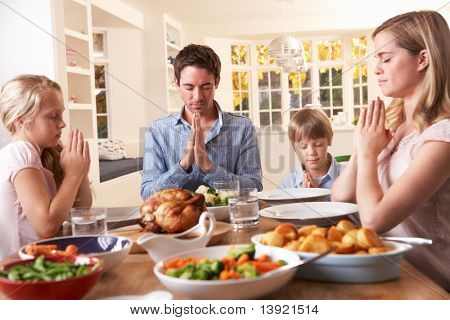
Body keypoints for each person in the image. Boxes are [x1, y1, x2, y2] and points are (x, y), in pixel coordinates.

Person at [331, 11, 449, 290]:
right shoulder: (394, 124)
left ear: (423, 59)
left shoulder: (442, 137)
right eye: (377, 59)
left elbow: (374, 220)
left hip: (432, 285)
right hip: (391, 272)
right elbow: (340, 197)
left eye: (386, 58)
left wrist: (370, 154)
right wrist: (362, 148)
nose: (376, 69)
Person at [141, 44, 263, 199]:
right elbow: (147, 193)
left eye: (205, 86)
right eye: (189, 87)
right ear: (177, 84)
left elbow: (254, 186)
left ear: (217, 81)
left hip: (228, 219)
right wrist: (183, 165)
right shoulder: (157, 130)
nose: (197, 96)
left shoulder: (242, 127)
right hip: (179, 221)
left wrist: (210, 168)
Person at [0, 75, 92, 259]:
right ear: (21, 121)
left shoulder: (43, 153)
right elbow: (47, 226)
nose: (63, 123)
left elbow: (80, 210)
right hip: (21, 267)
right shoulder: (20, 152)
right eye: (53, 116)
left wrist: (81, 172)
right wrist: (72, 177)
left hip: (43, 261)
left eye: (61, 114)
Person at [279, 108, 344, 190]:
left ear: (329, 140)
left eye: (318, 145)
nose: (311, 152)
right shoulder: (288, 185)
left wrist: (319, 199)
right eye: (303, 146)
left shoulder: (348, 176)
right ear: (293, 147)